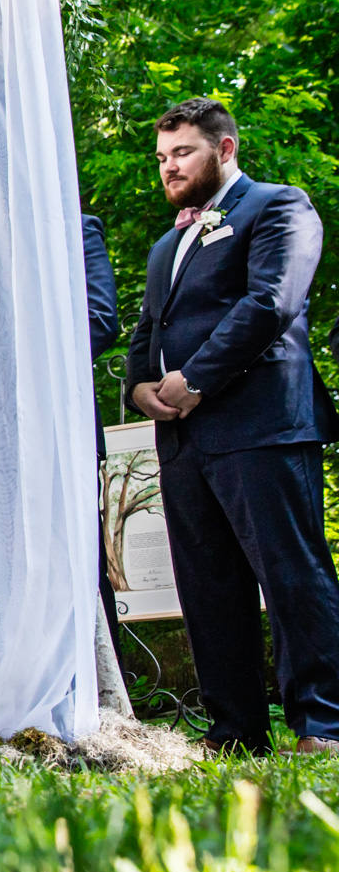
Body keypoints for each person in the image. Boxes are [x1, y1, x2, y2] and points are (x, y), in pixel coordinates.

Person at [126, 97, 339, 756]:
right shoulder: (167, 245)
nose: (169, 168)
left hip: (262, 422)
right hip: (183, 440)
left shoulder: (278, 206)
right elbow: (147, 332)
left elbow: (270, 302)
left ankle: (323, 725)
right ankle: (237, 731)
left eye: (182, 152)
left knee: (292, 577)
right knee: (209, 589)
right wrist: (139, 388)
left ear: (224, 149)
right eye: (161, 158)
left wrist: (194, 380)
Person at [0, 216, 122, 633]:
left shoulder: (74, 227)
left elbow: (99, 318)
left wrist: (23, 380)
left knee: (75, 566)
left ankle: (91, 689)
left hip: (57, 425)